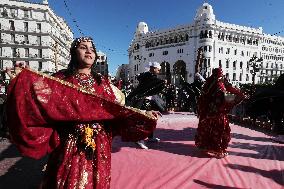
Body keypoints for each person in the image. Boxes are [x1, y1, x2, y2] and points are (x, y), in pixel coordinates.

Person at [5, 37, 160, 189]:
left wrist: (144, 113)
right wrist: (21, 77)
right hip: (70, 144)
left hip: (99, 145)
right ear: (73, 52)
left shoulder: (103, 83)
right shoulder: (60, 79)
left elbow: (119, 109)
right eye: (83, 47)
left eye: (92, 49)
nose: (89, 51)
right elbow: (38, 97)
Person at [195, 68, 245, 158]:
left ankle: (207, 147)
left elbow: (204, 98)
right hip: (218, 113)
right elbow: (223, 98)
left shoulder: (209, 84)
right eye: (221, 74)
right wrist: (237, 97)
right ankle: (217, 150)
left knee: (209, 130)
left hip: (209, 113)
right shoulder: (219, 84)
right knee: (219, 131)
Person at [126, 61, 166, 149]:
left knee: (150, 118)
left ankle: (150, 137)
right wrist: (162, 82)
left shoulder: (149, 76)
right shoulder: (148, 76)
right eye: (158, 70)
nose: (159, 71)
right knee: (142, 120)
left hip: (147, 101)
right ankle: (139, 138)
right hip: (141, 100)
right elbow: (153, 83)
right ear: (153, 68)